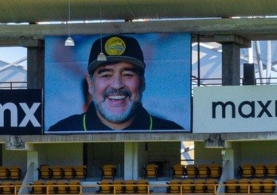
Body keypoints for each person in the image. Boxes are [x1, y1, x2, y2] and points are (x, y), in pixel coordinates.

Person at [49, 34, 184, 132]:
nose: (117, 85)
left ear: (143, 83)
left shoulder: (170, 130)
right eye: (106, 75)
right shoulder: (60, 131)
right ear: (90, 84)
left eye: (127, 75)